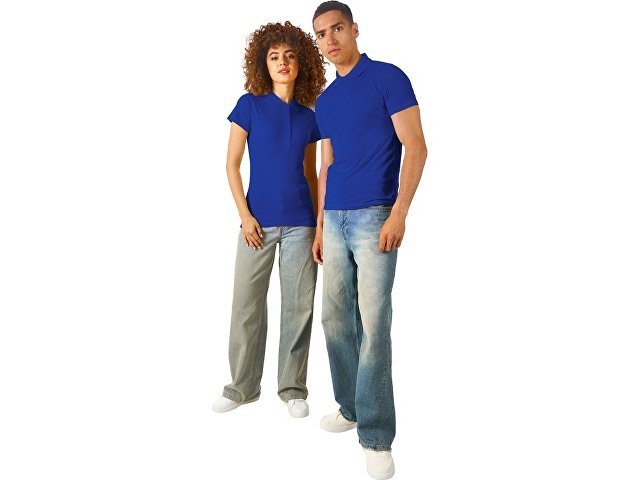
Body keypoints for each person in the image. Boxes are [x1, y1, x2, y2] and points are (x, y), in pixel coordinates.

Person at [311, 2, 428, 478]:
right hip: (334, 217)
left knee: (374, 324)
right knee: (335, 320)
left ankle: (377, 437)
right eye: (321, 34)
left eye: (337, 28)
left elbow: (416, 146)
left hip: (375, 215)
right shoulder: (325, 100)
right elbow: (327, 164)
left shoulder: (388, 78)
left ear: (354, 29)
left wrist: (399, 212)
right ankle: (351, 406)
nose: (330, 39)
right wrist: (320, 226)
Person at [212, 21, 326, 418]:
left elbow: (311, 175)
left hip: (301, 225)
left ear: (301, 63)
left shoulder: (309, 117)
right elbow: (231, 165)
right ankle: (241, 387)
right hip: (256, 223)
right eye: (274, 56)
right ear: (263, 62)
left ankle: (293, 388)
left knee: (298, 308)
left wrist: (319, 227)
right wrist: (244, 216)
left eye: (290, 56)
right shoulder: (249, 105)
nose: (282, 62)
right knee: (246, 305)